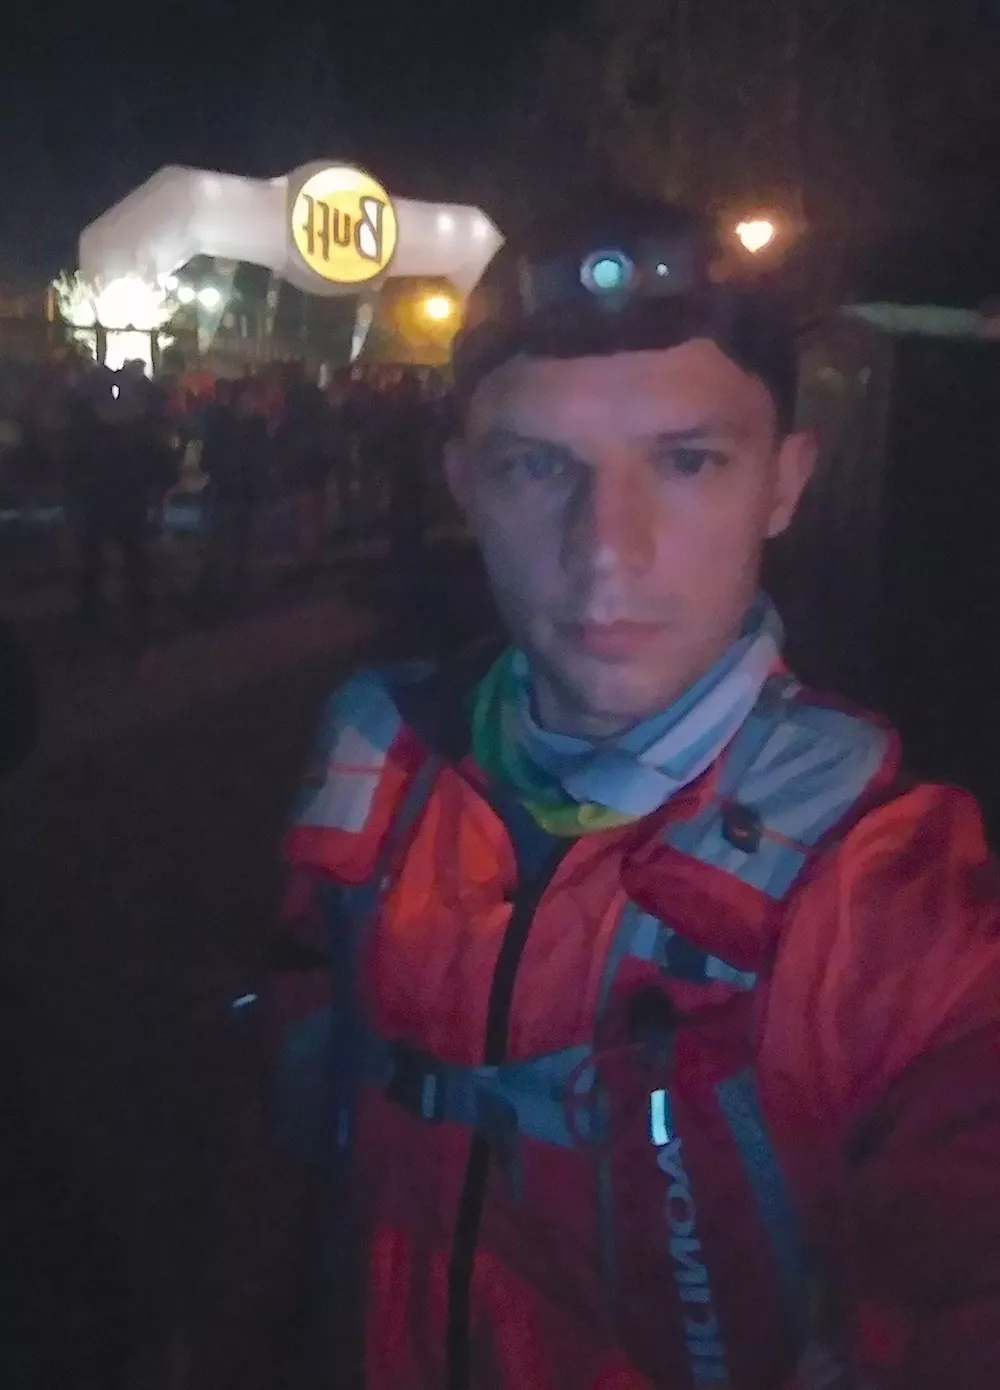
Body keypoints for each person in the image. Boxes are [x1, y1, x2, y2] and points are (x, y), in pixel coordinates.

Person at [211, 195, 1000, 1390]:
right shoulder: (374, 766)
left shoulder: (888, 889)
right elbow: (286, 1133)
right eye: (539, 467)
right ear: (464, 483)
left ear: (785, 483)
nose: (605, 550)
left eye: (686, 461)